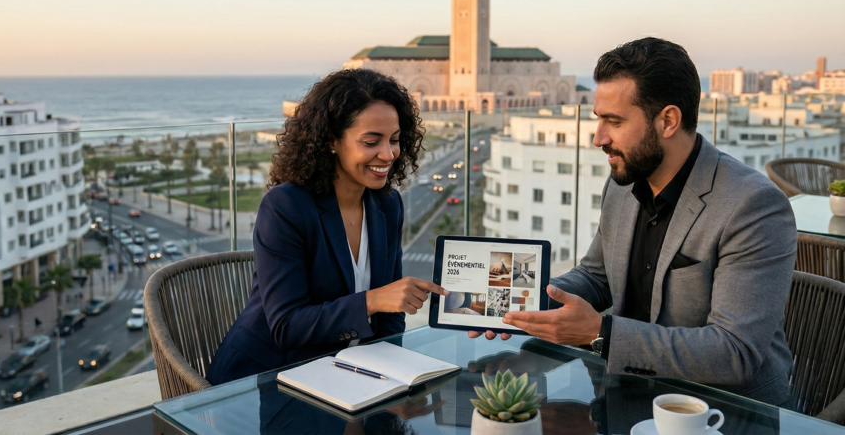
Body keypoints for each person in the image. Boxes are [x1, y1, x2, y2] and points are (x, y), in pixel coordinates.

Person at [470, 37, 796, 406]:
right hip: (627, 398)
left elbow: (733, 353)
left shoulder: (753, 205)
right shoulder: (624, 182)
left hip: (725, 413)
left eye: (614, 121)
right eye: (598, 119)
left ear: (668, 121)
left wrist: (600, 332)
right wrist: (519, 301)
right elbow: (596, 276)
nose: (598, 138)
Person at [206, 68, 447, 385]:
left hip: (343, 373)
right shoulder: (285, 207)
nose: (388, 154)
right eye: (371, 141)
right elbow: (286, 325)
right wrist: (372, 300)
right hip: (264, 378)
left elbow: (390, 317)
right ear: (332, 140)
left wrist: (395, 377)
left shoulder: (387, 205)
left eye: (395, 140)